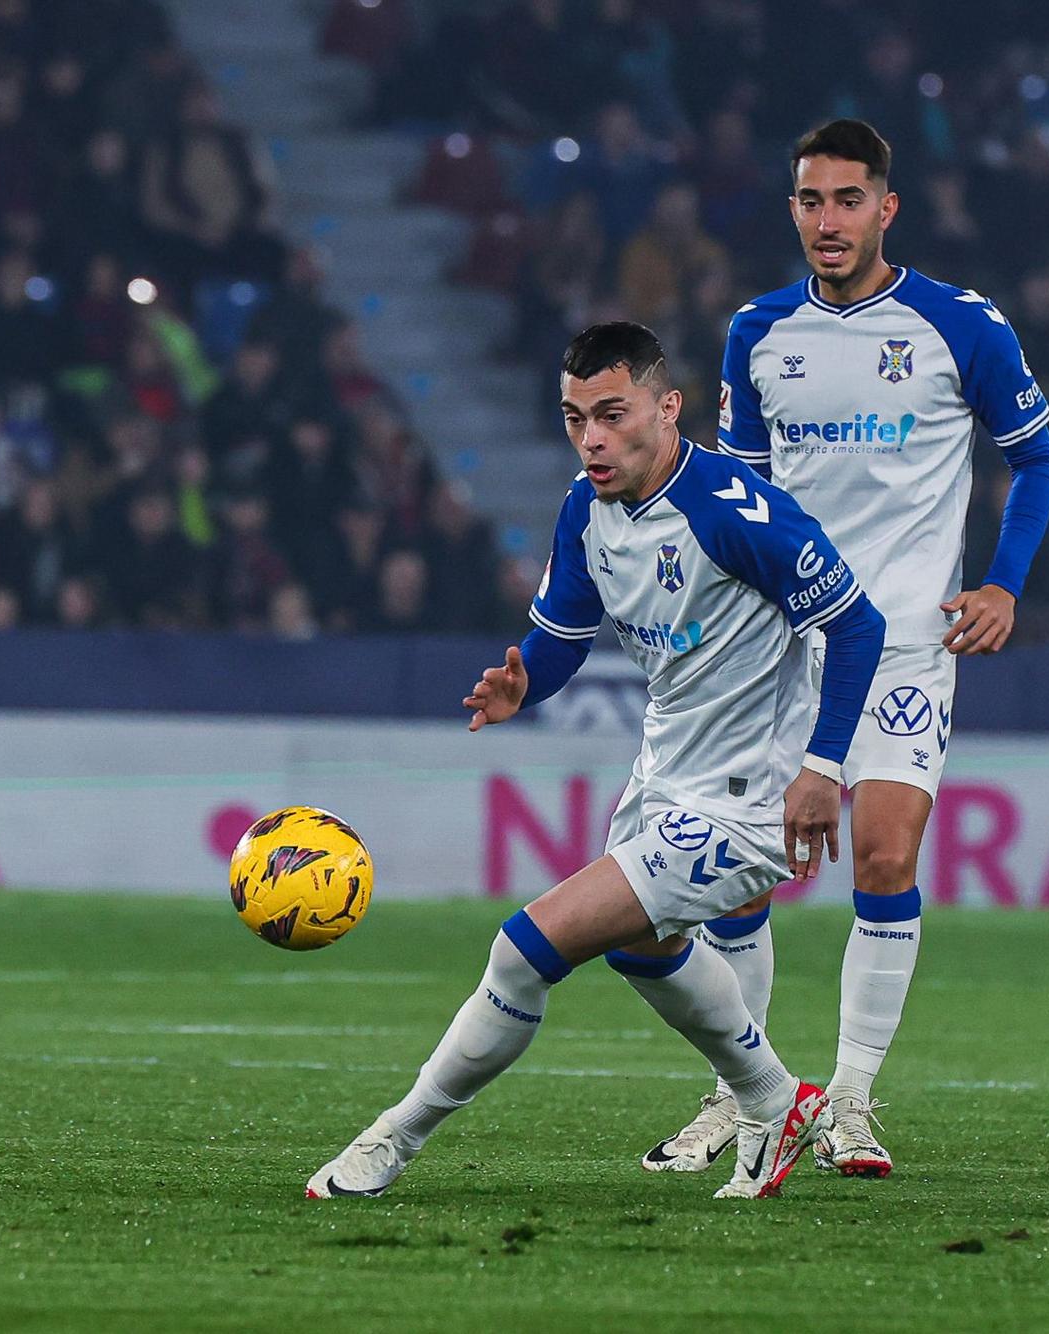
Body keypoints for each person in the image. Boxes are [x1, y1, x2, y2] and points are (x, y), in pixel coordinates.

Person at [306, 322, 886, 1202]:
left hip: (747, 801)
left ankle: (395, 1138)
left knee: (524, 948)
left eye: (612, 415)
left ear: (668, 406)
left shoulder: (732, 510)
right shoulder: (587, 507)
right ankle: (773, 1101)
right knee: (645, 951)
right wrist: (521, 684)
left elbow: (857, 624)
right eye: (576, 418)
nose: (593, 439)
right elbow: (562, 636)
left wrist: (823, 768)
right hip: (665, 779)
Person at [641, 118, 1049, 1179]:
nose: (826, 221)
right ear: (792, 209)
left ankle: (852, 1100)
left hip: (909, 638)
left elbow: (1036, 462)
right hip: (778, 645)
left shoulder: (960, 325)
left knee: (882, 851)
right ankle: (743, 1098)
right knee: (738, 875)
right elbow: (733, 496)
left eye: (846, 200)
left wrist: (1003, 583)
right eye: (809, 201)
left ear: (886, 208)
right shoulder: (758, 331)